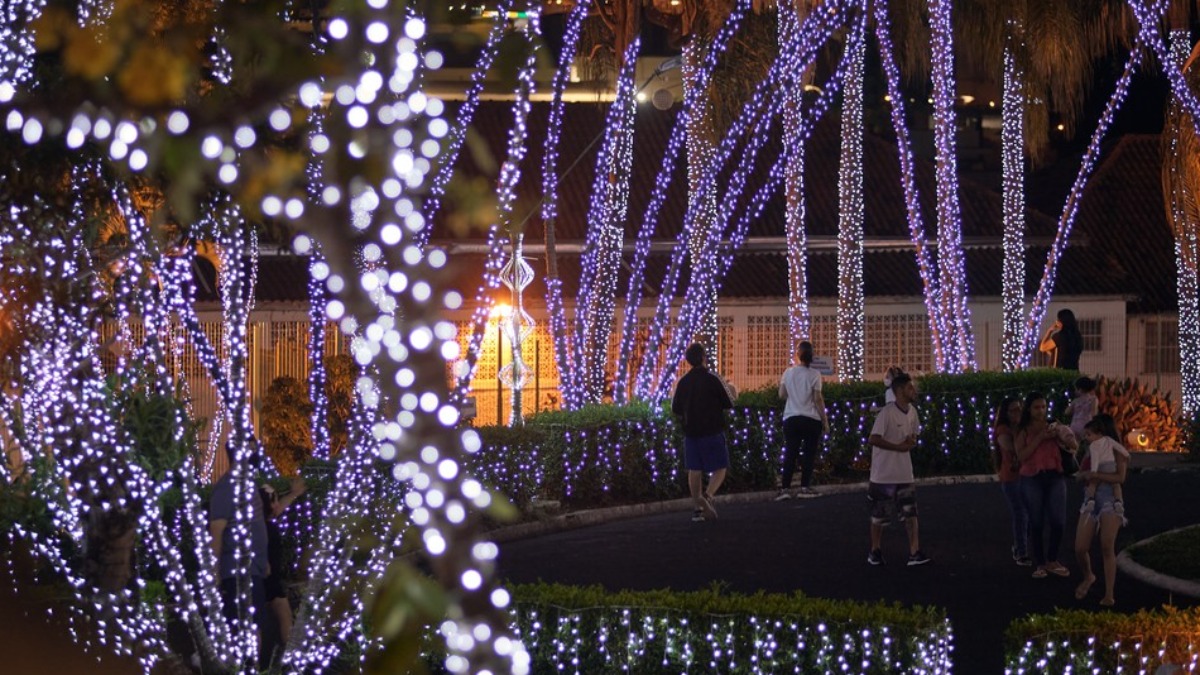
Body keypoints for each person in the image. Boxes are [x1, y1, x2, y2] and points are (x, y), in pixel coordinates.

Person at [866, 372, 930, 566]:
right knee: (879, 516)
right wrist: (898, 447)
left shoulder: (912, 412)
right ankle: (875, 550)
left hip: (904, 473)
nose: (914, 390)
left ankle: (914, 551)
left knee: (911, 513)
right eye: (910, 387)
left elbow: (914, 435)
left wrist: (910, 442)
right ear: (900, 391)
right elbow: (873, 438)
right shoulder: (887, 413)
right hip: (883, 474)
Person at [209, 465, 273, 658]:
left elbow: (258, 525)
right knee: (247, 627)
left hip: (253, 568)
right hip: (238, 570)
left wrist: (264, 560)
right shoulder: (227, 487)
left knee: (253, 624)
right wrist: (214, 572)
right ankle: (246, 665)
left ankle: (249, 664)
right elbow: (216, 531)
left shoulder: (248, 483)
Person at [1015, 392, 1078, 579]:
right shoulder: (1023, 430)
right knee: (1036, 521)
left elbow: (1072, 444)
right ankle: (1040, 562)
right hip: (1032, 477)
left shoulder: (1054, 425)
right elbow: (1021, 455)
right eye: (1036, 407)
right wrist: (1040, 438)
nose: (1041, 411)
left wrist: (1062, 436)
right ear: (1029, 409)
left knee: (1058, 520)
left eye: (1043, 407)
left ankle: (1052, 559)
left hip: (1055, 475)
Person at [671, 342, 734, 522]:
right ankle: (707, 496)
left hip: (691, 432)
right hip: (713, 430)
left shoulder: (683, 382)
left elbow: (675, 408)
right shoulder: (713, 379)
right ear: (704, 357)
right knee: (720, 467)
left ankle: (698, 507)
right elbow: (728, 403)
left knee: (694, 469)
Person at [1073, 414, 1130, 606]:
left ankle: (1109, 594)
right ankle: (1088, 575)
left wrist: (1096, 475)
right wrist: (1084, 475)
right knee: (1080, 547)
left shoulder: (1116, 450)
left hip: (1110, 498)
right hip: (1091, 496)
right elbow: (1082, 472)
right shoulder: (1092, 449)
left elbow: (1120, 478)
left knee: (1107, 545)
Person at [775, 341, 830, 500]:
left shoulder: (788, 372)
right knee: (809, 454)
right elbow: (818, 399)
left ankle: (785, 489)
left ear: (798, 355)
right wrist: (825, 421)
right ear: (812, 356)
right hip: (811, 419)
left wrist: (793, 393)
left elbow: (781, 395)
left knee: (790, 453)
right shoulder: (815, 374)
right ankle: (805, 487)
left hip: (791, 417)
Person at [259, 476, 307, 649]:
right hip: (265, 577)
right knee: (272, 618)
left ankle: (288, 651)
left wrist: (293, 494)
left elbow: (277, 509)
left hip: (270, 579)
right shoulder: (263, 527)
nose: (277, 504)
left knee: (281, 613)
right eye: (274, 500)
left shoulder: (262, 523)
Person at [992, 396, 1031, 566]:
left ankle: (1020, 546)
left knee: (1029, 513)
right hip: (1011, 476)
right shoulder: (1003, 430)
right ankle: (1021, 551)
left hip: (1026, 474)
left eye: (1019, 409)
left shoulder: (1023, 428)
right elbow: (1012, 448)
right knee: (1020, 513)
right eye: (1013, 410)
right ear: (1006, 413)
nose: (1017, 413)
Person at [1066, 376, 1098, 445]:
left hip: (1074, 426)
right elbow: (1094, 413)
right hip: (1086, 426)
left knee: (1075, 445)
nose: (1075, 391)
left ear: (1080, 389)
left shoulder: (1076, 401)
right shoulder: (1093, 399)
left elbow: (1067, 412)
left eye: (1076, 389)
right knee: (1086, 445)